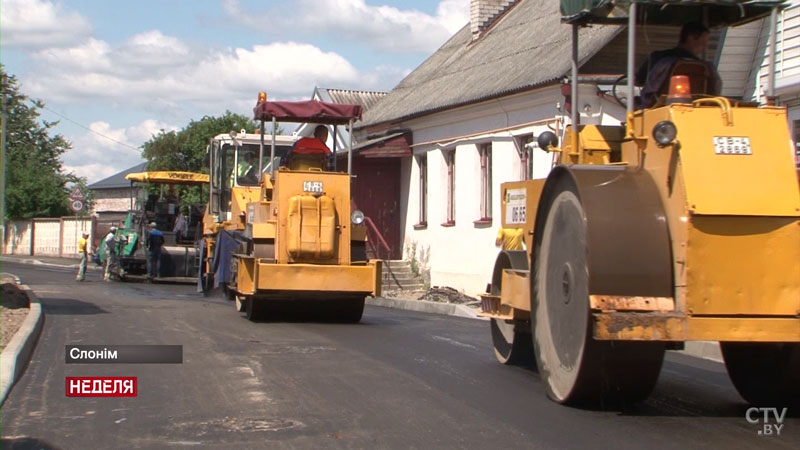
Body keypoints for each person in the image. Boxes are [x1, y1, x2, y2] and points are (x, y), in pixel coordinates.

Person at [635, 22, 722, 108]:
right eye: (704, 41)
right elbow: (714, 91)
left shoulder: (657, 57)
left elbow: (638, 81)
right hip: (696, 109)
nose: (705, 46)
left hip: (657, 108)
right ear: (691, 38)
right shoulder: (707, 68)